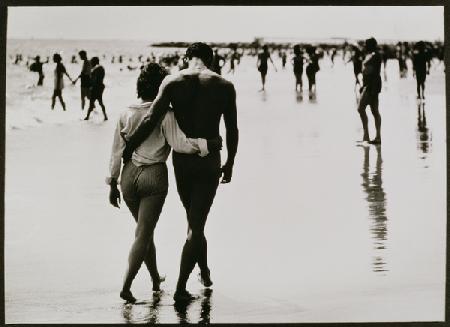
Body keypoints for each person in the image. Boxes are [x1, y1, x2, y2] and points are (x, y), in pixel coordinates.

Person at [122, 42, 239, 302]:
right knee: (196, 225)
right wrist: (230, 162)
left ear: (186, 58)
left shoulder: (173, 83)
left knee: (194, 223)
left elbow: (151, 118)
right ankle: (181, 289)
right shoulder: (224, 86)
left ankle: (204, 272)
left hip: (182, 163)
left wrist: (129, 147)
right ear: (210, 59)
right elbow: (232, 129)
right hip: (209, 161)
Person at [357, 37, 382, 144]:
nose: (365, 46)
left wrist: (372, 88)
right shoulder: (371, 54)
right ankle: (375, 137)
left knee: (361, 108)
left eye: (367, 44)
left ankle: (368, 136)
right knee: (374, 111)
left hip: (372, 85)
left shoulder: (376, 55)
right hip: (368, 85)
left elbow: (375, 73)